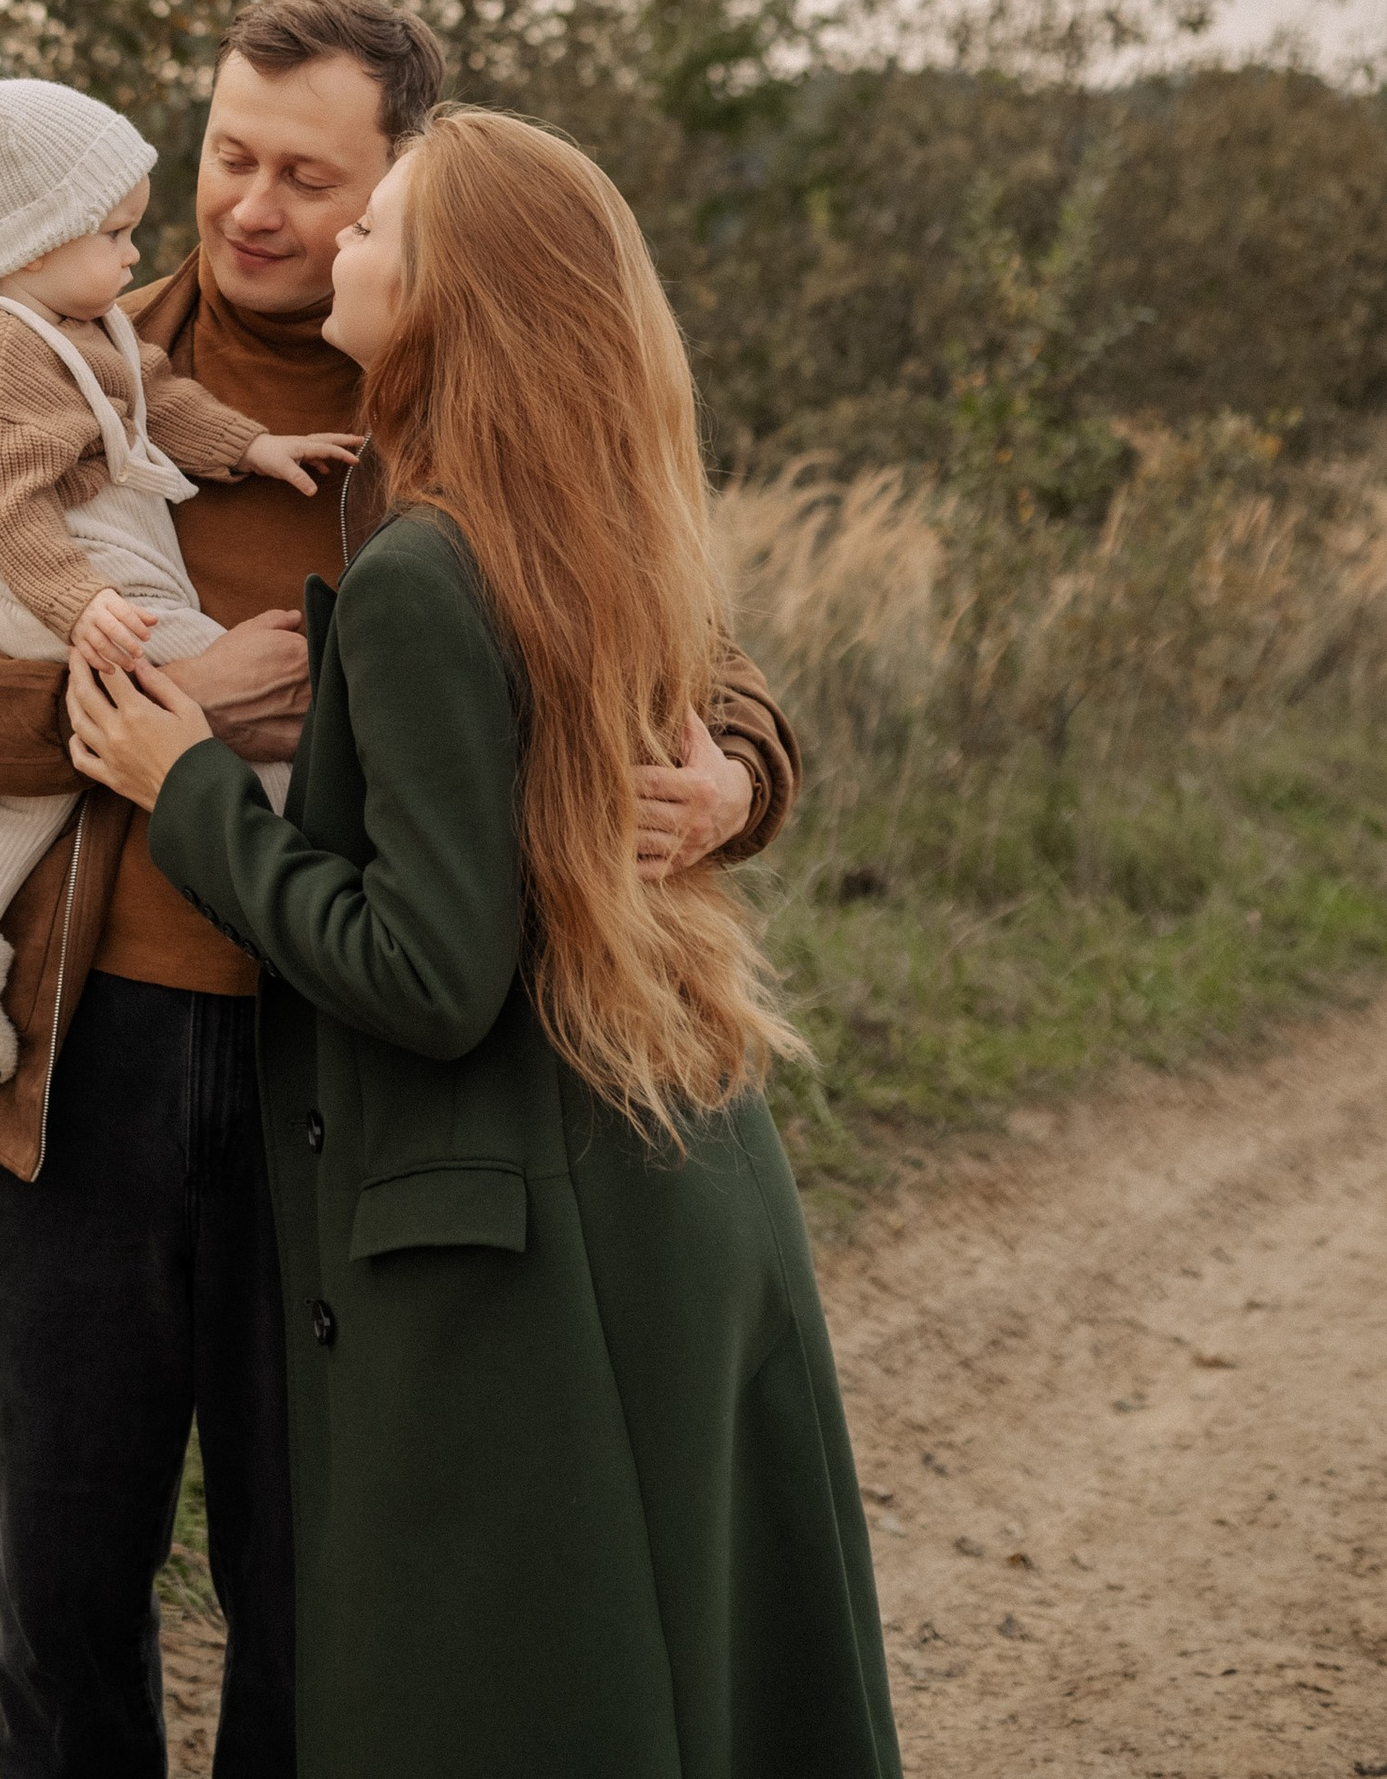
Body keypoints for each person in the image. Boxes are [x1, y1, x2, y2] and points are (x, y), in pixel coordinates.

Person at [0, 0, 805, 1779]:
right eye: (228, 156)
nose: (252, 208)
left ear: (390, 191)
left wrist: (736, 777)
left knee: (317, 1600)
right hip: (80, 1073)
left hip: (348, 1081)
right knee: (63, 1596)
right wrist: (142, 702)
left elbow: (686, 644)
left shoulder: (449, 379)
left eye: (310, 176)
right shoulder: (53, 358)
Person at [69, 108, 900, 1779]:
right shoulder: (605, 516)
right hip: (684, 1181)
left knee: (522, 1699)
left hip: (534, 1236)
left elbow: (429, 978)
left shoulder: (428, 570)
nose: (338, 246)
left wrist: (187, 790)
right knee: (693, 1683)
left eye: (373, 226)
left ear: (451, 293)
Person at [0, 75, 360, 1084]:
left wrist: (256, 446)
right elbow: (5, 518)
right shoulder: (5, 353)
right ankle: (335, 912)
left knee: (33, 803)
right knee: (283, 728)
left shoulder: (87, 333)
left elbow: (159, 400)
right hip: (88, 589)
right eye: (230, 160)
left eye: (307, 177)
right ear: (38, 244)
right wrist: (104, 626)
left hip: (303, 1076)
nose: (137, 250)